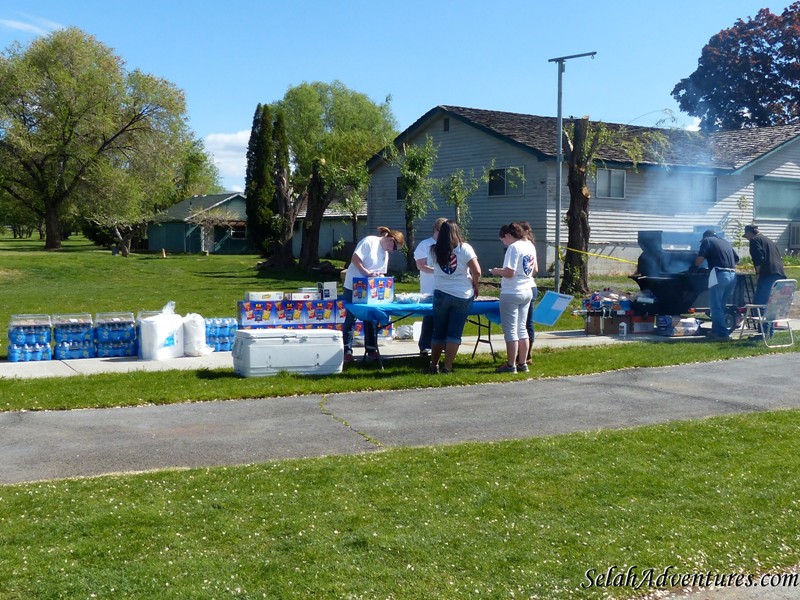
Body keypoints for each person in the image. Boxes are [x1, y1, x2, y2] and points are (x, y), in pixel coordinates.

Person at [342, 226, 405, 362]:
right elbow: (355, 259)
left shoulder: (385, 253)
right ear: (390, 239)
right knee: (351, 318)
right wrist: (366, 272)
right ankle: (347, 350)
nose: (392, 251)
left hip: (370, 289)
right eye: (394, 248)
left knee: (370, 317)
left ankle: (371, 348)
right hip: (354, 286)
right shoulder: (370, 241)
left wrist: (379, 278)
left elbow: (381, 272)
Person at [427, 220, 481, 374]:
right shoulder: (465, 248)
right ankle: (447, 366)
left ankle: (434, 365)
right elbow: (476, 271)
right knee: (454, 333)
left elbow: (432, 266)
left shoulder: (433, 250)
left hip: (440, 292)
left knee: (439, 331)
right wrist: (476, 285)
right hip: (462, 294)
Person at [489, 223, 537, 373]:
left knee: (510, 330)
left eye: (503, 239)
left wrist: (497, 271)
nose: (504, 243)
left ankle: (511, 365)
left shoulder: (513, 247)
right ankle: (522, 363)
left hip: (512, 291)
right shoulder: (529, 245)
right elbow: (534, 269)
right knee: (522, 328)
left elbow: (510, 272)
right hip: (527, 289)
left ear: (509, 236)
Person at [694, 229, 739, 340]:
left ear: (706, 236)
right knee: (720, 306)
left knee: (715, 306)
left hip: (719, 275)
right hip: (732, 275)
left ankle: (723, 334)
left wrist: (694, 267)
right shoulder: (725, 242)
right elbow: (737, 259)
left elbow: (700, 259)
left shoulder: (707, 240)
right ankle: (716, 331)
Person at [744, 224, 786, 338]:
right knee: (771, 305)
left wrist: (758, 274)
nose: (747, 238)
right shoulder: (768, 240)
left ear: (749, 233)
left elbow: (759, 259)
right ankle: (769, 333)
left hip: (768, 276)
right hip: (779, 275)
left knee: (759, 304)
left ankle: (762, 334)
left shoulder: (754, 240)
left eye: (746, 236)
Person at [414, 218, 447, 357]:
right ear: (436, 229)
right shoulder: (425, 245)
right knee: (429, 317)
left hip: (446, 288)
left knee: (444, 318)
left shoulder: (448, 244)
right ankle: (425, 345)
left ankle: (442, 344)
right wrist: (437, 270)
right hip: (429, 288)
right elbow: (420, 265)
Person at [518, 221, 538, 364]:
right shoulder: (531, 246)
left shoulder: (520, 247)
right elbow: (535, 269)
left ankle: (522, 356)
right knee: (528, 323)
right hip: (532, 285)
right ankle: (527, 355)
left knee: (522, 324)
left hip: (523, 287)